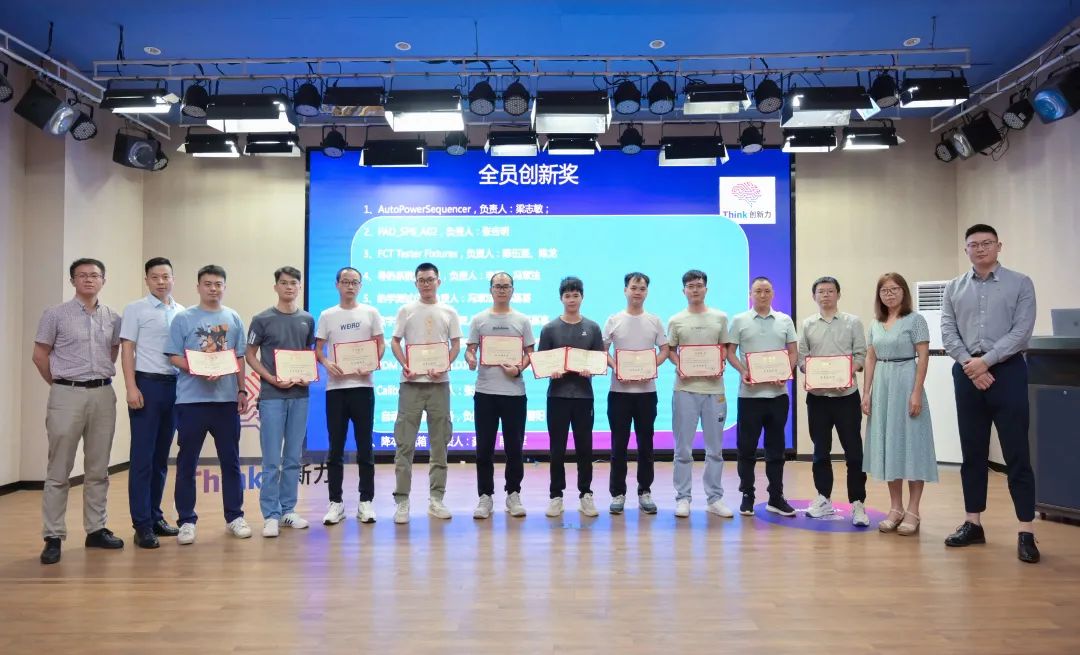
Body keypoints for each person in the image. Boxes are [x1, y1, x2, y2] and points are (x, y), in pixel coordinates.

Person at [941, 224, 1040, 563]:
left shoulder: (1020, 283)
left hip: (1007, 371)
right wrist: (971, 364)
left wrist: (987, 361)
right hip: (967, 371)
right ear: (966, 250)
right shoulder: (954, 287)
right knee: (972, 451)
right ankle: (973, 523)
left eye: (987, 243)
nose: (980, 249)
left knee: (1017, 452)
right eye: (974, 244)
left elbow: (1022, 331)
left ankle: (1026, 530)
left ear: (999, 246)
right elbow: (948, 331)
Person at [32, 258, 124, 565]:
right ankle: (53, 536)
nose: (88, 279)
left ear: (103, 280)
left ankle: (96, 530)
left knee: (98, 468)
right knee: (59, 469)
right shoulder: (55, 314)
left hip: (103, 394)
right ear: (72, 281)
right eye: (82, 275)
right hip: (66, 394)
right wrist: (60, 384)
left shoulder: (113, 317)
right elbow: (40, 355)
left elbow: (113, 351)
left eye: (94, 275)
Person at [167, 265, 252, 544]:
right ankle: (186, 521)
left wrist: (241, 390)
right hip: (191, 402)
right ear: (198, 287)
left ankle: (234, 516)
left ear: (224, 287)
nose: (213, 288)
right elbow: (173, 356)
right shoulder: (183, 318)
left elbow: (238, 357)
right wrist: (198, 368)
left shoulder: (233, 317)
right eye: (208, 284)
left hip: (225, 401)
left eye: (218, 284)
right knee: (187, 462)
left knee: (231, 461)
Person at [861, 272, 936, 536]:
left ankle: (913, 510)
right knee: (889, 446)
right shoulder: (875, 323)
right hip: (882, 387)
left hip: (906, 383)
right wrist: (866, 392)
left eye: (894, 289)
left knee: (912, 446)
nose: (889, 294)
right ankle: (896, 507)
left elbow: (923, 358)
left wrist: (916, 393)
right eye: (884, 290)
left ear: (904, 291)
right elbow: (870, 358)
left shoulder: (916, 320)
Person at [246, 266, 316, 538]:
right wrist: (271, 378)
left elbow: (308, 354)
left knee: (293, 458)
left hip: (300, 396)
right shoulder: (262, 319)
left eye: (293, 283)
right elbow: (250, 354)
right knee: (271, 459)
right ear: (276, 286)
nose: (289, 287)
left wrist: (308, 375)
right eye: (284, 283)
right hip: (272, 397)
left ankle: (288, 510)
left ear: (299, 287)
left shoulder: (307, 319)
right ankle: (270, 515)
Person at [120, 257, 184, 549]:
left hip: (176, 387)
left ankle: (156, 517)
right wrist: (131, 386)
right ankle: (142, 525)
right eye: (155, 277)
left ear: (173, 279)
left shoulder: (182, 312)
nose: (161, 281)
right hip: (146, 385)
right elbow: (127, 350)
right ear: (146, 280)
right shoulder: (136, 309)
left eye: (166, 276)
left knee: (161, 458)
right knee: (142, 458)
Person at [390, 262, 462, 524]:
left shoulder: (449, 311)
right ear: (416, 283)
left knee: (439, 443)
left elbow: (456, 345)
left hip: (439, 384)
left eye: (430, 279)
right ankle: (402, 501)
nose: (426, 284)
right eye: (421, 280)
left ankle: (436, 499)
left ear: (438, 282)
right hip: (411, 384)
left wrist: (445, 365)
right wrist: (405, 364)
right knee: (405, 444)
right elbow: (394, 341)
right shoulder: (406, 310)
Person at [797, 276, 870, 527]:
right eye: (821, 291)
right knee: (820, 452)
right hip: (818, 398)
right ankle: (823, 498)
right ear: (814, 296)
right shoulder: (807, 324)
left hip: (846, 396)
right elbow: (802, 358)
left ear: (838, 294)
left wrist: (847, 373)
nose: (825, 295)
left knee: (854, 452)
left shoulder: (853, 322)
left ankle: (857, 503)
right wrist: (811, 373)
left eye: (830, 291)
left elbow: (860, 355)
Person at [315, 267, 384, 525]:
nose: (350, 286)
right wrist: (326, 363)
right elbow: (318, 349)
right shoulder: (327, 315)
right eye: (345, 282)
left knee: (365, 447)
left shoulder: (371, 313)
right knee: (335, 448)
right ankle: (336, 503)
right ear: (337, 285)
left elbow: (380, 344)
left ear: (360, 285)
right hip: (336, 389)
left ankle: (366, 502)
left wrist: (373, 362)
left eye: (355, 282)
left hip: (363, 387)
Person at [725, 276, 798, 517]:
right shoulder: (739, 320)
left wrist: (786, 372)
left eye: (767, 290)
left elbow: (793, 352)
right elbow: (730, 352)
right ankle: (747, 495)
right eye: (758, 291)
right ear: (750, 294)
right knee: (746, 449)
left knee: (776, 450)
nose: (763, 295)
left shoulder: (785, 320)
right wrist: (743, 371)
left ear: (773, 293)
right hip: (749, 396)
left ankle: (776, 497)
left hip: (778, 395)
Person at [465, 272, 535, 519]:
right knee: (484, 448)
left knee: (514, 448)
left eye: (506, 286)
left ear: (513, 290)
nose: (502, 290)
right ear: (490, 290)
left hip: (514, 393)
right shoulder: (479, 319)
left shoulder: (522, 320)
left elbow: (530, 353)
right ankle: (485, 496)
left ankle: (513, 493)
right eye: (498, 286)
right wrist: (471, 358)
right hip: (485, 392)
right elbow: (470, 350)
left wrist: (519, 368)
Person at [666, 269, 733, 519]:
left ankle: (714, 498)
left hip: (714, 390)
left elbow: (724, 348)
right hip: (685, 390)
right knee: (683, 449)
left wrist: (720, 362)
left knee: (714, 450)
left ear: (706, 288)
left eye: (699, 285)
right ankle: (683, 498)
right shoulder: (676, 320)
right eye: (690, 286)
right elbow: (670, 350)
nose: (695, 289)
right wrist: (680, 365)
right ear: (683, 290)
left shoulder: (720, 318)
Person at [538, 276, 604, 518]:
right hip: (557, 396)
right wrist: (551, 370)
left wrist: (591, 370)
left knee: (585, 448)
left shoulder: (593, 328)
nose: (572, 299)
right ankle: (556, 496)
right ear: (561, 298)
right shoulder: (549, 329)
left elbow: (599, 361)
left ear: (582, 297)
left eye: (576, 295)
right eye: (567, 295)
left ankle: (586, 494)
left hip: (584, 397)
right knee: (557, 449)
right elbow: (542, 362)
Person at [604, 272, 669, 515]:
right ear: (625, 290)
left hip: (646, 393)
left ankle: (645, 491)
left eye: (642, 288)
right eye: (633, 288)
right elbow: (603, 350)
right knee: (618, 445)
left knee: (646, 445)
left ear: (646, 292)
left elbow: (665, 350)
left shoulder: (654, 321)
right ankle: (617, 493)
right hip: (619, 392)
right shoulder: (614, 320)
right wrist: (617, 367)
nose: (637, 292)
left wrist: (651, 367)